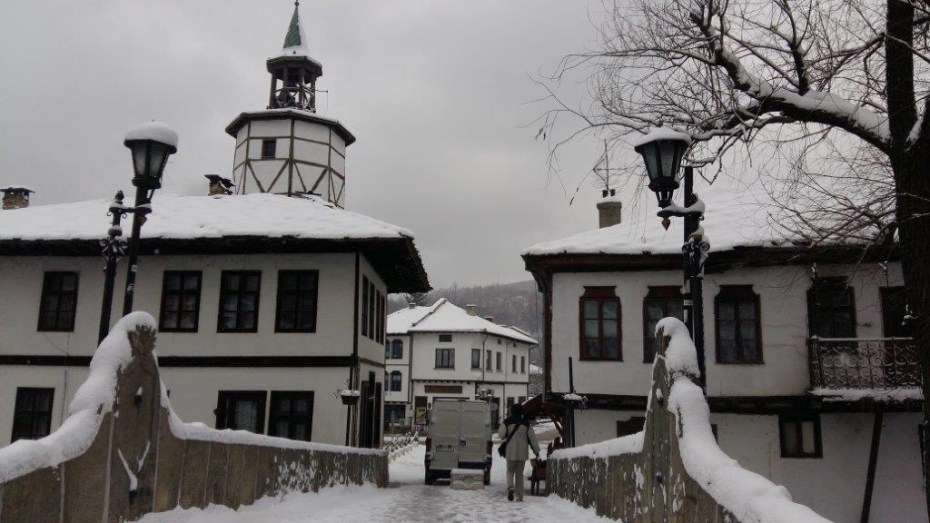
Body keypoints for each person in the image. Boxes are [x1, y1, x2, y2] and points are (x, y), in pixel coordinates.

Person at [498, 404, 540, 502]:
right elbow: (532, 439)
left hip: (510, 451)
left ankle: (510, 487)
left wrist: (507, 434)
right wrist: (536, 451)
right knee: (519, 473)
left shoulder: (507, 422)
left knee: (510, 471)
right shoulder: (526, 423)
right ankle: (519, 496)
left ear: (512, 411)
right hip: (522, 453)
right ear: (521, 412)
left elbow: (501, 435)